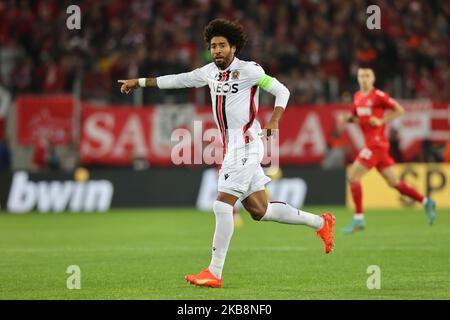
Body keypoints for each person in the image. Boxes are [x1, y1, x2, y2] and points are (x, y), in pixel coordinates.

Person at [118, 19, 335, 288]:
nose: (217, 50)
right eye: (213, 46)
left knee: (222, 205)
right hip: (232, 146)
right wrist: (139, 82)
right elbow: (178, 80)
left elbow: (282, 90)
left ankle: (214, 271)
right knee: (260, 210)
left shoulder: (249, 70)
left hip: (246, 143)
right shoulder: (209, 71)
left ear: (233, 47)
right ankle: (320, 223)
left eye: (222, 45)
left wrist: (275, 119)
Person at [340, 67, 436, 235]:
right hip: (377, 148)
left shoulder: (379, 96)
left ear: (373, 78)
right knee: (395, 183)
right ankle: (426, 201)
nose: (364, 78)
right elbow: (358, 118)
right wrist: (348, 119)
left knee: (353, 176)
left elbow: (400, 110)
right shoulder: (357, 97)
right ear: (357, 78)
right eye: (361, 75)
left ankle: (359, 219)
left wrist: (382, 120)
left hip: (376, 145)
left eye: (367, 75)